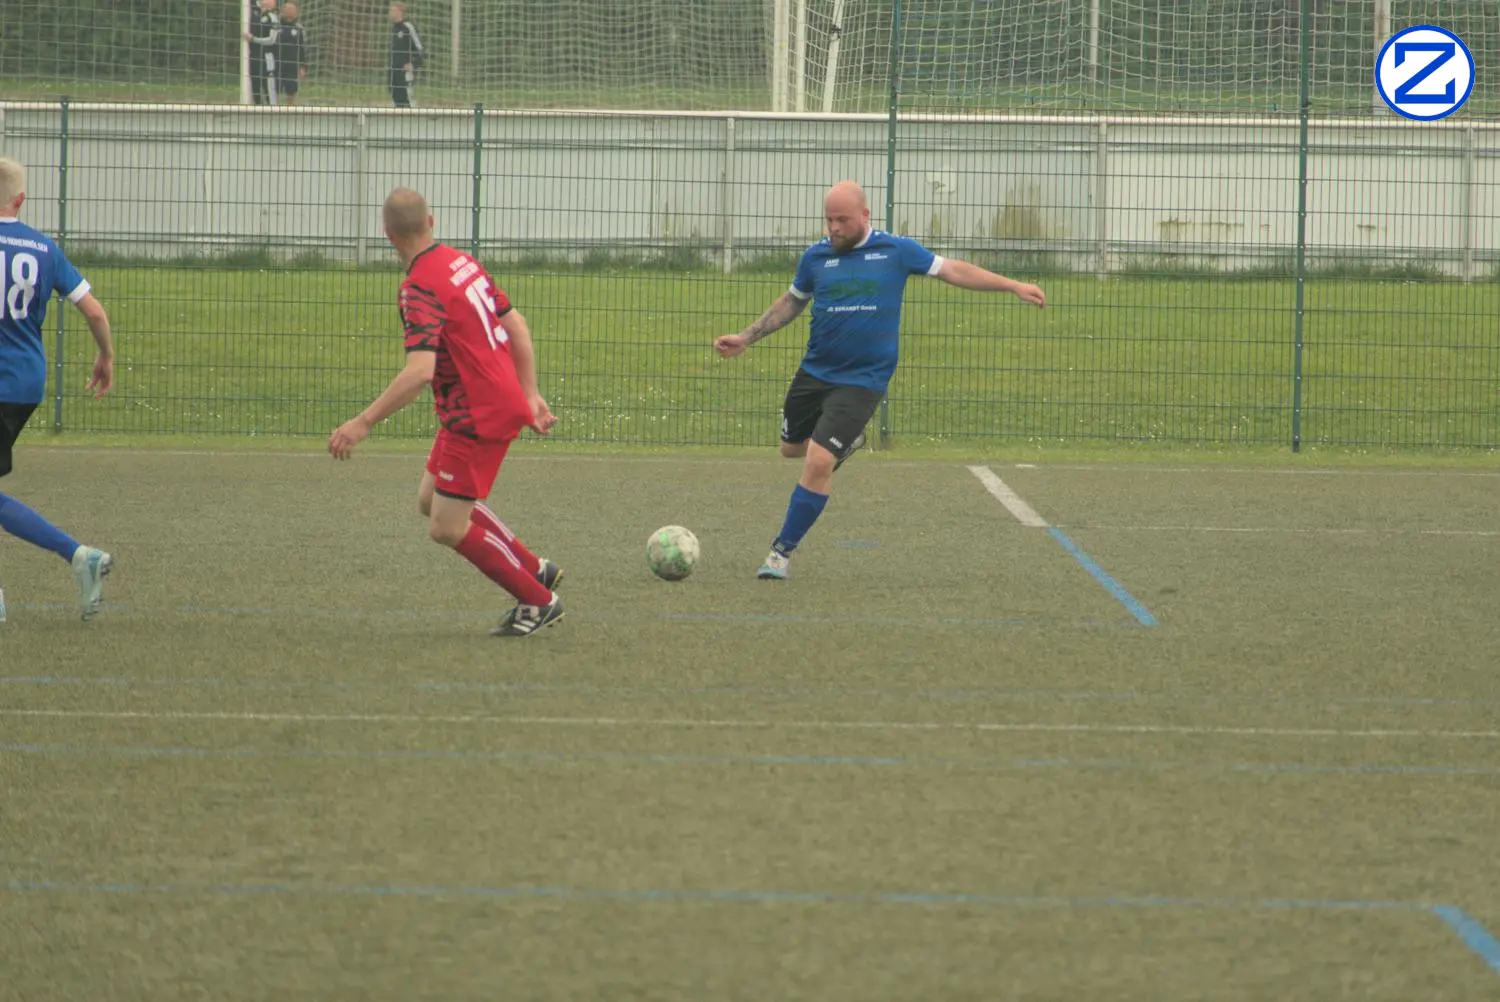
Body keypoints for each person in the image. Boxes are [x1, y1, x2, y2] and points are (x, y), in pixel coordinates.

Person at [714, 180, 1047, 581]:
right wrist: (747, 336)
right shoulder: (816, 257)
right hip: (815, 372)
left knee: (819, 460)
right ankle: (847, 444)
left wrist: (1012, 285)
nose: (834, 227)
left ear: (865, 216)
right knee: (790, 450)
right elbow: (792, 302)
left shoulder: (896, 250)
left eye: (843, 219)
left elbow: (953, 270)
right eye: (829, 219)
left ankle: (779, 554)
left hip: (863, 379)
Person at [328, 188, 564, 637]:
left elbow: (420, 372)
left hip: (478, 415)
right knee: (427, 500)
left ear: (387, 235)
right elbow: (516, 325)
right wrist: (529, 393)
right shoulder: (463, 262)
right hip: (484, 404)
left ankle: (538, 601)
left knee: (445, 526)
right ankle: (537, 569)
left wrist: (363, 422)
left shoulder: (417, 288)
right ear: (431, 221)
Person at [0, 158, 116, 623]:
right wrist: (105, 357)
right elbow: (94, 312)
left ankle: (77, 555)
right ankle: (79, 557)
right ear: (21, 200)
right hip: (26, 383)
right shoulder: (44, 248)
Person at [243, 0, 281, 107]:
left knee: (267, 84)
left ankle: (272, 109)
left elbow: (272, 40)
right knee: (255, 83)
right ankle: (256, 107)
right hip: (253, 56)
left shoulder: (273, 17)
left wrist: (253, 39)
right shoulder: (252, 13)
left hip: (267, 57)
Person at [388, 2, 425, 109]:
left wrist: (413, 64)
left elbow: (420, 50)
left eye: (393, 10)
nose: (390, 13)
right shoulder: (393, 29)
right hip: (394, 76)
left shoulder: (408, 27)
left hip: (405, 76)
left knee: (409, 105)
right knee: (396, 106)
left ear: (400, 12)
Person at [276, 2, 307, 107]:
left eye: (292, 9)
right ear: (282, 11)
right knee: (275, 91)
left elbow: (302, 48)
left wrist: (302, 66)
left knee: (291, 92)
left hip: (292, 65)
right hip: (277, 64)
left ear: (296, 13)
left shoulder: (299, 28)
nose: (289, 11)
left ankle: (291, 113)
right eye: (287, 9)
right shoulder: (276, 25)